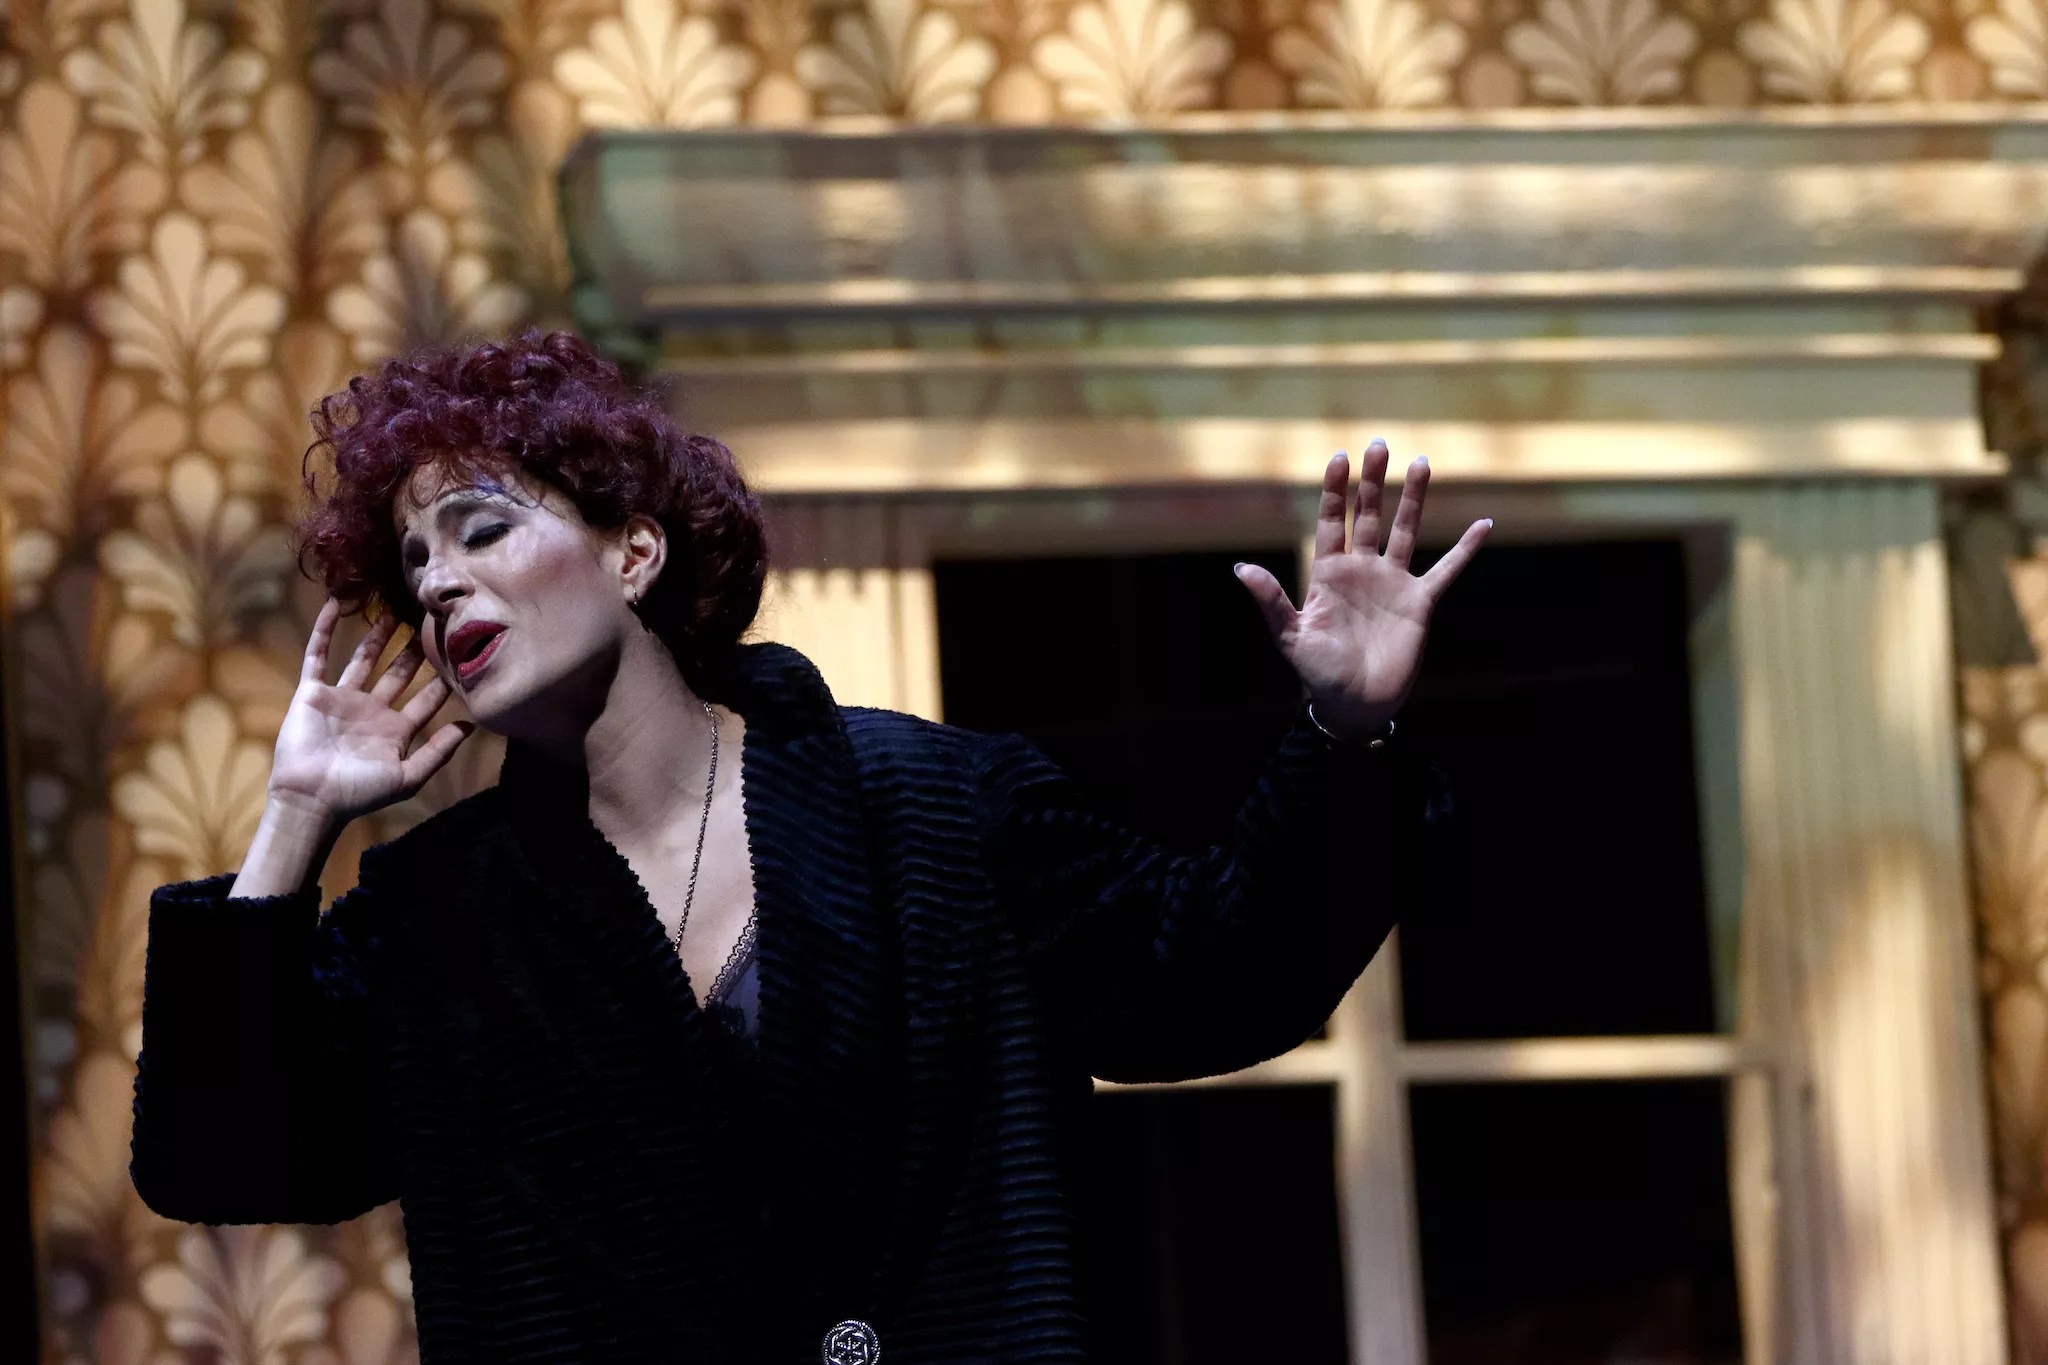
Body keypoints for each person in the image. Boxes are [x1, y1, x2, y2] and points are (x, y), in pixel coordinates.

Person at [129, 328, 1485, 1364]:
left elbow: (1217, 971)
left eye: (482, 528)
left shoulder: (934, 805)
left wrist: (1345, 731)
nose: (437, 581)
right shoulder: (439, 917)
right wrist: (295, 817)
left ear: (634, 554)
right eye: (416, 565)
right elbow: (224, 1160)